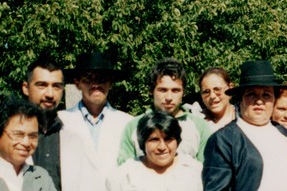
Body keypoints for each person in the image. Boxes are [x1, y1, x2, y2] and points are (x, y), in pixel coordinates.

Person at [201, 60, 287, 190]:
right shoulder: (223, 140)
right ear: (241, 99)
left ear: (274, 100)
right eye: (251, 94)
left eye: (266, 95)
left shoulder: (282, 133)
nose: (259, 101)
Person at [0, 54, 65, 190]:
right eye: (42, 85)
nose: (50, 94)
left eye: (56, 86)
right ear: (26, 88)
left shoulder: (72, 132)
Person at [56, 51, 135, 190]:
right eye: (88, 78)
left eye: (102, 79)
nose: (96, 84)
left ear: (110, 83)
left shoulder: (128, 123)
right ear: (77, 83)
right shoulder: (60, 121)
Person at [118, 58, 212, 165]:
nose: (169, 97)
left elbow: (208, 171)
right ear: (151, 91)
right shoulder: (134, 126)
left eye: (175, 90)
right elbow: (124, 170)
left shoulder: (200, 126)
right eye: (162, 90)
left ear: (183, 92)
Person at [120, 110, 204, 191]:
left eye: (168, 139)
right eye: (154, 140)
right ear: (142, 142)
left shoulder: (195, 172)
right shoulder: (126, 175)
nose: (162, 147)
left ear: (177, 141)